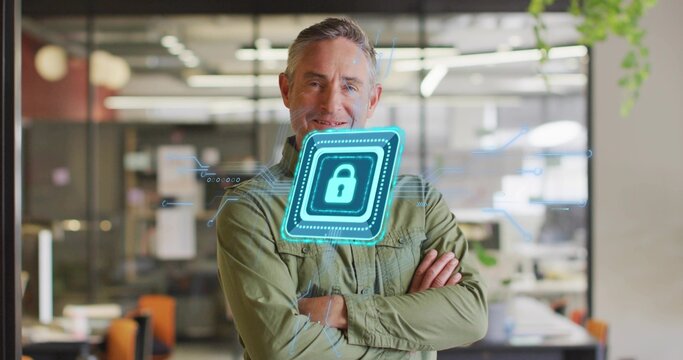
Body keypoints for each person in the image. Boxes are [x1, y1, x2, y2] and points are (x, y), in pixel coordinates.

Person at [217, 17, 487, 359]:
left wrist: (339, 311)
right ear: (287, 90)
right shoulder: (249, 209)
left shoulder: (418, 203)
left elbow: (471, 316)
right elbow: (280, 349)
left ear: (372, 100)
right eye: (315, 83)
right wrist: (411, 335)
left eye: (350, 86)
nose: (331, 105)